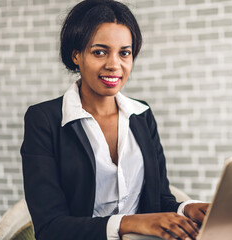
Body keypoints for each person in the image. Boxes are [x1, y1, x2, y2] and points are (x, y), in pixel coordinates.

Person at [21, 0, 209, 239]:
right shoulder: (44, 120)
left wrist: (188, 208)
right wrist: (128, 223)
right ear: (76, 55)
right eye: (100, 52)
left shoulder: (142, 115)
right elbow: (50, 228)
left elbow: (158, 200)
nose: (114, 65)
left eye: (124, 53)